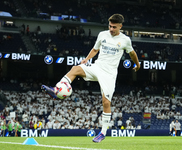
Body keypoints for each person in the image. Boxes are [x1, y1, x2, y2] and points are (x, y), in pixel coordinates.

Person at [41, 14, 140, 143]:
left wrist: (137, 65)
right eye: (110, 26)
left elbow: (132, 53)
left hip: (109, 74)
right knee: (76, 69)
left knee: (106, 102)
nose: (111, 29)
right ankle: (56, 90)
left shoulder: (125, 40)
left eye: (114, 27)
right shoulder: (102, 35)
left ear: (120, 26)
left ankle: (103, 133)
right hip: (97, 67)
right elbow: (95, 49)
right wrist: (86, 60)